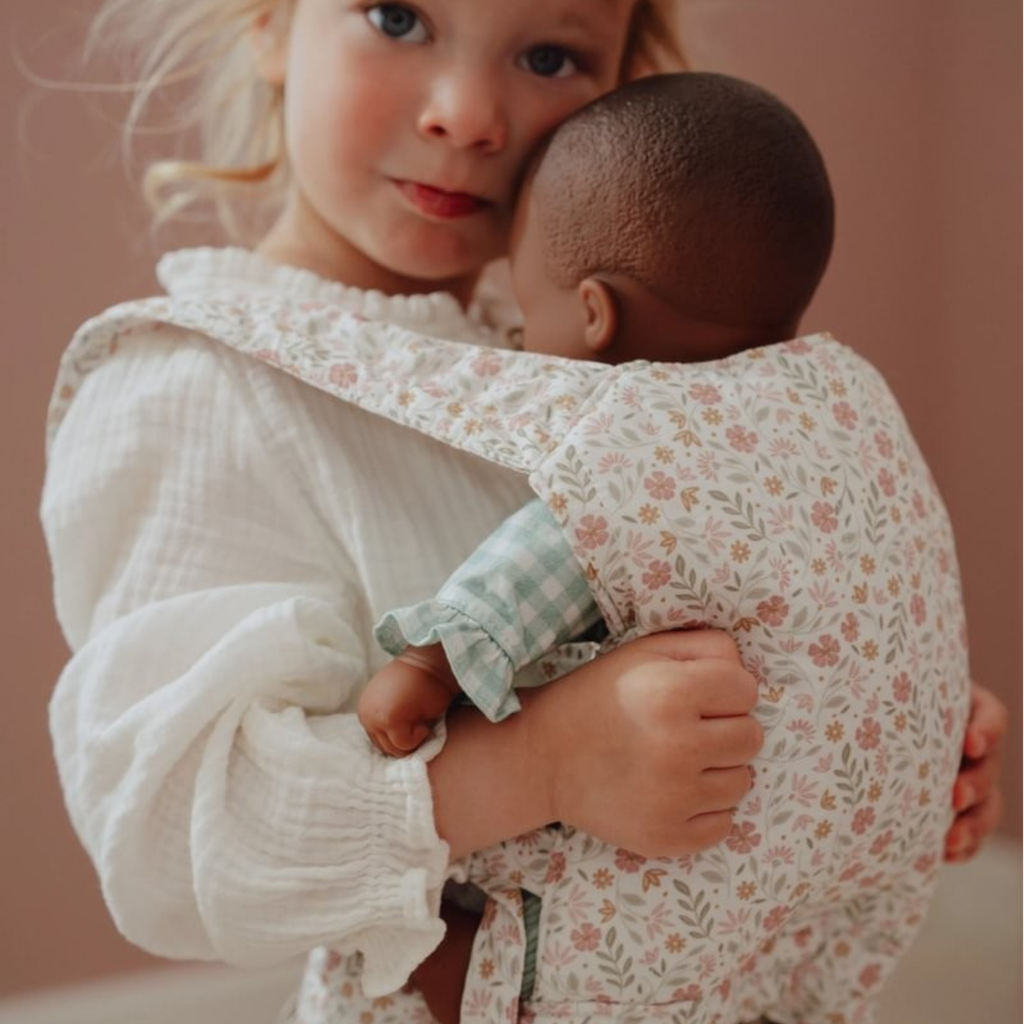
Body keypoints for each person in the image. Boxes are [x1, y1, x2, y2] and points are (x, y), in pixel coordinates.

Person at [38, 1, 1006, 1023]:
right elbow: (174, 843)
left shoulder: (604, 346)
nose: (466, 114)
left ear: (625, 78)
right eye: (396, 16)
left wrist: (870, 722)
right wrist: (542, 762)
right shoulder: (196, 395)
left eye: (549, 55)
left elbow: (703, 594)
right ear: (270, 22)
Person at [340, 72, 983, 1022]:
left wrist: (430, 665)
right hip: (829, 853)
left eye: (527, 319)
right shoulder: (851, 406)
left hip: (676, 859)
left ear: (593, 315)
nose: (523, 344)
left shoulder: (641, 433)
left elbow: (535, 568)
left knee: (434, 947)